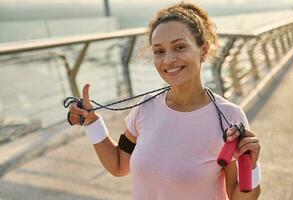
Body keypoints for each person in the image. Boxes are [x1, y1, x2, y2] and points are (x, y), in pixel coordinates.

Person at [67, 2, 261, 199]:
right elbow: (119, 165)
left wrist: (252, 167)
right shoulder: (145, 107)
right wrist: (92, 123)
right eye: (159, 51)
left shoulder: (229, 117)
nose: (168, 60)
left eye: (179, 47)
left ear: (203, 50)